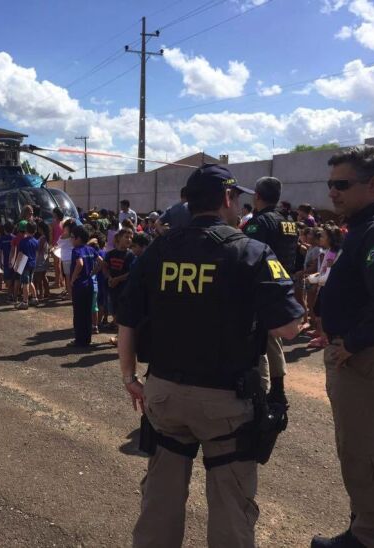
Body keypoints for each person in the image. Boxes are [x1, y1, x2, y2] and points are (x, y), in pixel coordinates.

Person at [116, 163, 303, 548]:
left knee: (160, 502)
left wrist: (129, 378)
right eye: (237, 199)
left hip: (164, 392)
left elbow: (128, 321)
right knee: (231, 507)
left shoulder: (158, 250)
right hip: (226, 402)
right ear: (227, 199)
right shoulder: (250, 251)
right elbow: (287, 328)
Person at [312, 145, 374, 548]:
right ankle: (362, 529)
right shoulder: (367, 225)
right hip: (361, 355)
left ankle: (372, 539)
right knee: (357, 451)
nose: (333, 192)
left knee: (369, 455)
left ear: (372, 184)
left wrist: (351, 343)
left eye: (342, 184)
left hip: (367, 359)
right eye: (330, 183)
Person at [243, 177, 299, 393]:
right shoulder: (287, 221)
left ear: (257, 195)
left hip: (264, 287)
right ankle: (276, 388)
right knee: (273, 339)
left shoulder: (259, 223)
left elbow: (249, 256)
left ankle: (267, 393)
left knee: (262, 342)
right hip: (284, 284)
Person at [69, 225, 100, 347]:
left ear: (78, 238)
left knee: (78, 314)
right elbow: (101, 262)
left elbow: (80, 264)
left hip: (79, 286)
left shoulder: (76, 250)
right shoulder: (90, 249)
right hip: (90, 284)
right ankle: (87, 339)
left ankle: (79, 340)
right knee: (87, 313)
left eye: (72, 237)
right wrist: (93, 273)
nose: (71, 240)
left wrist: (72, 279)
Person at [16, 221, 39, 309]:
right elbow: (36, 253)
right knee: (30, 281)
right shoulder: (36, 241)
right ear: (35, 230)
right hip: (33, 263)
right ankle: (35, 298)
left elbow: (20, 254)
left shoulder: (23, 242)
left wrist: (17, 265)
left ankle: (25, 302)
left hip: (24, 264)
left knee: (25, 283)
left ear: (26, 229)